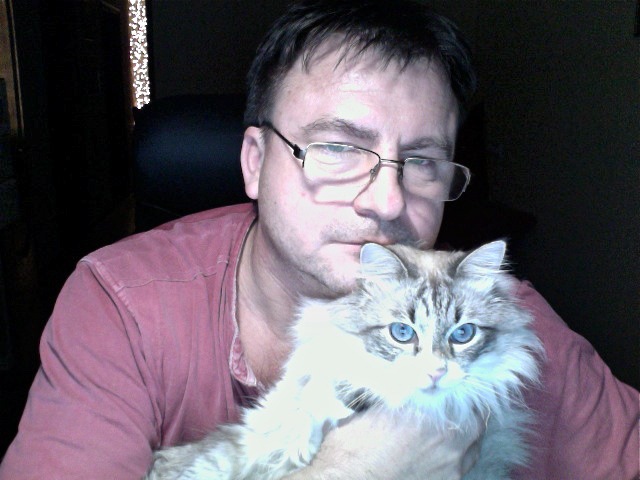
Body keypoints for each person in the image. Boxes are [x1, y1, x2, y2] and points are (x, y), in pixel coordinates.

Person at [1, 0, 638, 478]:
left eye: (421, 161)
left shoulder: (499, 321)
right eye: (337, 148)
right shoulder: (120, 305)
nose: (387, 202)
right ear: (255, 163)